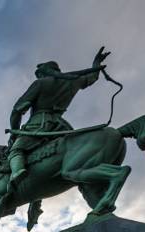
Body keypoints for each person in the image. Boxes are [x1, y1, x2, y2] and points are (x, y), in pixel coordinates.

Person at [7, 47, 111, 187]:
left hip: (39, 125)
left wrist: (14, 132)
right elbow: (92, 78)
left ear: (43, 73)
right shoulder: (72, 82)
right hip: (60, 126)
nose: (39, 77)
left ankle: (17, 172)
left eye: (39, 74)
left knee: (16, 150)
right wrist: (96, 63)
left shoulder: (40, 83)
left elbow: (17, 110)